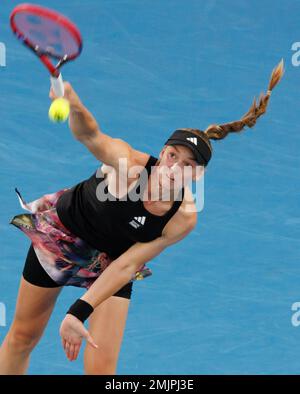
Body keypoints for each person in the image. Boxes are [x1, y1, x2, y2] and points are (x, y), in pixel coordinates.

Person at [0, 60, 284, 375]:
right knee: (24, 337)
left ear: (198, 176)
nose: (175, 168)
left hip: (112, 261)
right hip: (65, 237)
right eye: (173, 156)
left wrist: (76, 313)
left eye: (188, 166)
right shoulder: (128, 166)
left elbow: (126, 265)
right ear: (162, 154)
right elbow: (91, 136)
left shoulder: (183, 219)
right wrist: (76, 106)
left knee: (102, 371)